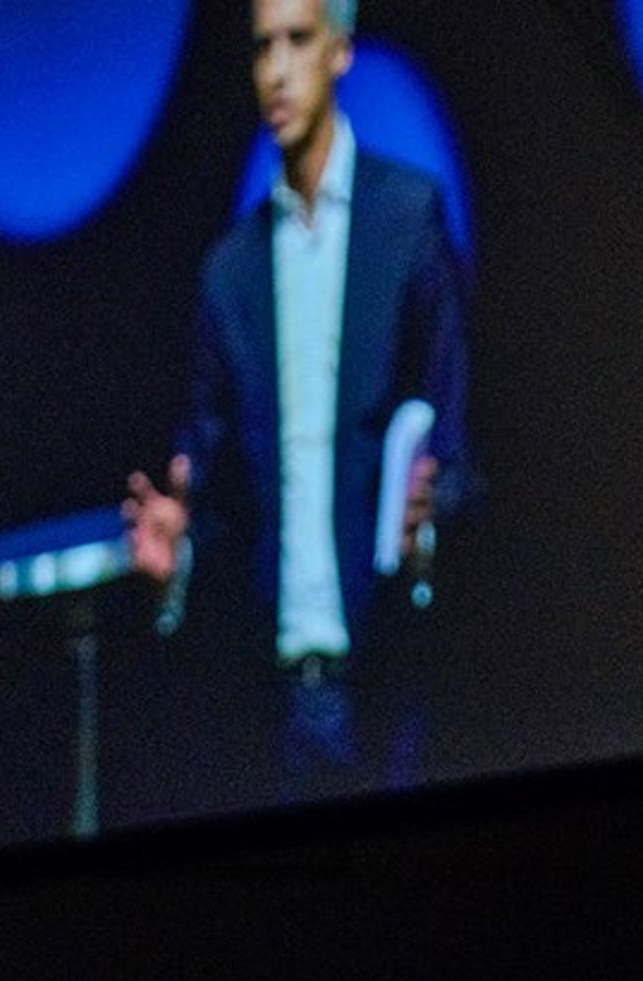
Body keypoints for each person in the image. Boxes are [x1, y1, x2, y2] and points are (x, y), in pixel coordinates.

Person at [121, 0, 477, 802]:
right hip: (270, 695)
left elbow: (460, 439)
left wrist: (433, 506)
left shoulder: (407, 218)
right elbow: (208, 474)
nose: (277, 70)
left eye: (297, 41)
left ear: (340, 51)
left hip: (394, 673)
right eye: (261, 48)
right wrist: (178, 538)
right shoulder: (231, 271)